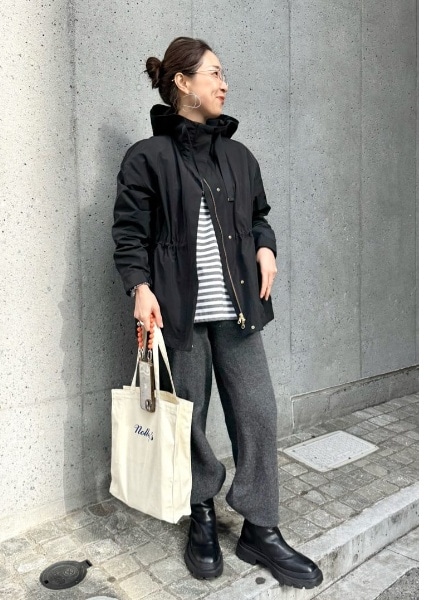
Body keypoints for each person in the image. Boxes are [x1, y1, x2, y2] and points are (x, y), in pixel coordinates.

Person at [112, 36, 323, 589]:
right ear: (183, 82)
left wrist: (266, 247)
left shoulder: (239, 156)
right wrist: (139, 287)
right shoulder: (147, 158)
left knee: (258, 412)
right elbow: (130, 235)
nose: (224, 84)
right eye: (213, 73)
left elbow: (258, 217)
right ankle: (201, 512)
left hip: (239, 311)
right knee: (189, 418)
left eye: (223, 74)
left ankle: (261, 527)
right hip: (177, 316)